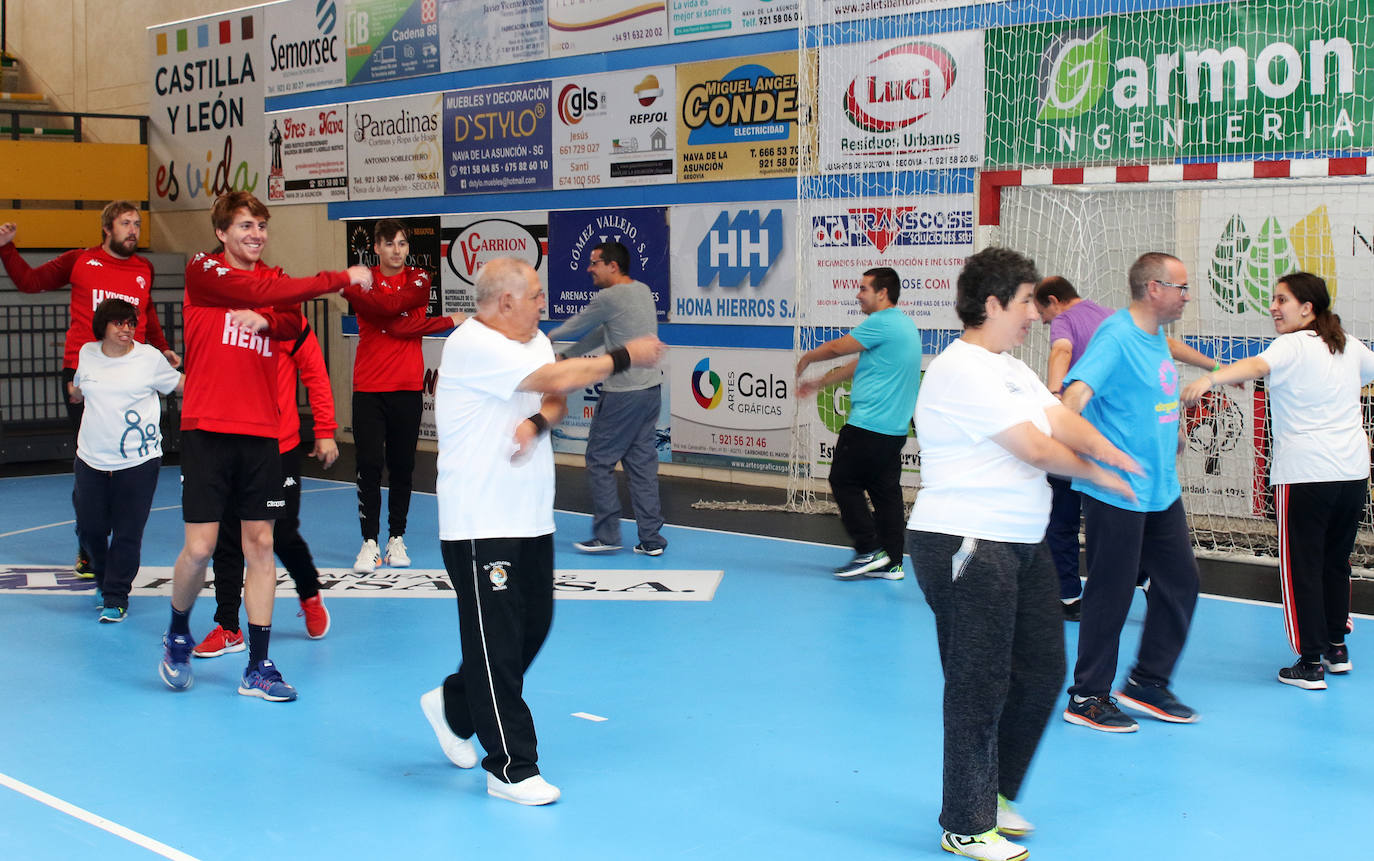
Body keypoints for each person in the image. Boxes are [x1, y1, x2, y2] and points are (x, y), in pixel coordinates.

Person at [909, 247, 1138, 861]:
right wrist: (1102, 476)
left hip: (1021, 543)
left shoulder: (1010, 368)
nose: (1035, 314)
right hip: (965, 541)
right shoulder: (961, 369)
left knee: (1041, 671)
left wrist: (1113, 455)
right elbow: (1036, 449)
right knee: (978, 684)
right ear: (992, 305)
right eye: (1025, 303)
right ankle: (965, 821)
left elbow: (1059, 420)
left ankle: (995, 795)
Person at [419, 257, 664, 806]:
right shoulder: (470, 344)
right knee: (498, 644)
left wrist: (536, 421)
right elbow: (557, 377)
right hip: (480, 522)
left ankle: (455, 704)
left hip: (530, 515)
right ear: (504, 301)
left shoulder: (530, 339)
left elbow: (554, 393)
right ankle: (510, 767)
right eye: (533, 295)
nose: (542, 303)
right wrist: (623, 355)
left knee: (533, 626)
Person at [157, 191, 374, 702]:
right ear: (221, 232)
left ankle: (258, 665)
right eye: (246, 225)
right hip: (207, 428)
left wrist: (270, 319)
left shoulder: (273, 285)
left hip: (261, 434)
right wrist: (340, 277)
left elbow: (295, 322)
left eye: (261, 226)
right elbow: (266, 291)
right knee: (201, 547)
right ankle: (177, 630)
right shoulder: (201, 271)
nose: (256, 234)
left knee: (260, 545)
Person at [1182, 272, 1374, 690]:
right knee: (1335, 562)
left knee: (1301, 566)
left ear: (1307, 308)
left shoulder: (1291, 345)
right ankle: (1336, 648)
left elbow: (1256, 365)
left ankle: (1310, 662)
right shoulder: (1346, 343)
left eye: (1281, 300)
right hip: (1352, 473)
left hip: (1306, 475)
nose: (1273, 306)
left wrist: (1210, 378)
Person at [1060, 252, 1202, 732]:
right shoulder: (1117, 336)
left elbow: (1150, 399)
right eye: (1180, 287)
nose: (1186, 296)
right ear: (1154, 289)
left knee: (1181, 583)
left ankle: (1146, 682)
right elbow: (1077, 393)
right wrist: (1066, 437)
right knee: (1111, 593)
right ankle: (1088, 696)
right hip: (1116, 492)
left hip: (1160, 491)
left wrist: (1173, 435)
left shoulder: (1157, 335)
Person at [0, 203, 181, 578]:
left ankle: (116, 538)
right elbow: (30, 283)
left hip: (134, 374)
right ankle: (89, 540)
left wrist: (161, 348)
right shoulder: (80, 260)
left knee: (130, 462)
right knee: (93, 463)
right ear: (106, 228)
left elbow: (145, 315)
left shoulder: (143, 269)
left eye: (137, 223)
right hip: (86, 375)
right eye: (126, 223)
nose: (133, 230)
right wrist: (6, 249)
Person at [1034, 276, 1221, 620]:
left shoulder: (1065, 320)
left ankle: (1069, 596)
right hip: (1117, 439)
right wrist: (1214, 367)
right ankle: (1145, 577)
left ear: (1053, 301)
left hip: (1083, 431)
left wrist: (1054, 394)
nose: (1042, 320)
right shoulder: (1113, 317)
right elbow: (1171, 346)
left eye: (1041, 312)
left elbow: (1060, 349)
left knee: (1062, 516)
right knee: (1123, 519)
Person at [194, 323, 340, 658]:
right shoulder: (220, 317)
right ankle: (228, 626)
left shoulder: (287, 320)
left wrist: (325, 428)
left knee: (283, 534)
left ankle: (310, 593)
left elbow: (315, 372)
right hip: (230, 442)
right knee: (228, 535)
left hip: (278, 445)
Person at [351, 219, 464, 574]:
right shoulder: (359, 279)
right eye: (390, 244)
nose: (397, 250)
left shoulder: (419, 277)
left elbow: (397, 315)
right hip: (368, 388)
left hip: (406, 388)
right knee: (369, 465)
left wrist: (388, 314)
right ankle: (369, 542)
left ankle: (396, 537)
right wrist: (447, 320)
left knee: (403, 466)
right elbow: (398, 320)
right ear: (377, 247)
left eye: (402, 244)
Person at [796, 266, 921, 580]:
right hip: (892, 431)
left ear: (882, 293)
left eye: (864, 288)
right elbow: (858, 363)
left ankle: (868, 549)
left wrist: (809, 356)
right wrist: (820, 383)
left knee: (843, 480)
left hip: (868, 426)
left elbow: (839, 347)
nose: (858, 294)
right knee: (885, 493)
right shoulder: (904, 325)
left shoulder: (882, 322)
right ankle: (892, 561)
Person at [547, 241, 667, 556]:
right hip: (650, 392)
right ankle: (652, 539)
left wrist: (548, 338)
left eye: (594, 263)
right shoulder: (642, 291)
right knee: (641, 466)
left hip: (624, 394)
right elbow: (603, 332)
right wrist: (568, 354)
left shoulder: (609, 296)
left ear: (612, 266)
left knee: (598, 460)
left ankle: (608, 534)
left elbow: (581, 322)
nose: (589, 269)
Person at [70, 298, 183, 622]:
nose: (127, 329)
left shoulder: (148, 358)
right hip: (91, 458)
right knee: (90, 528)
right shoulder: (87, 353)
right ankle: (103, 577)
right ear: (103, 326)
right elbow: (80, 387)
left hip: (138, 461)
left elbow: (179, 383)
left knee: (127, 532)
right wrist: (76, 393)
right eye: (119, 323)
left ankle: (116, 595)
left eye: (131, 323)